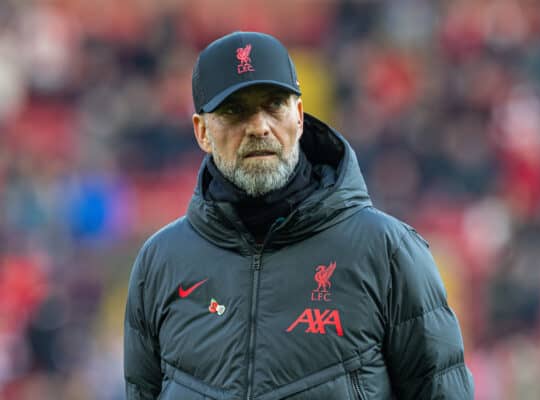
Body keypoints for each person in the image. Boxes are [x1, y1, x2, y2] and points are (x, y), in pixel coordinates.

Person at [124, 31, 474, 399]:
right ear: (202, 132)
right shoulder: (159, 263)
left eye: (274, 105)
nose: (259, 126)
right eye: (235, 111)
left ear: (300, 116)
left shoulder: (387, 251)